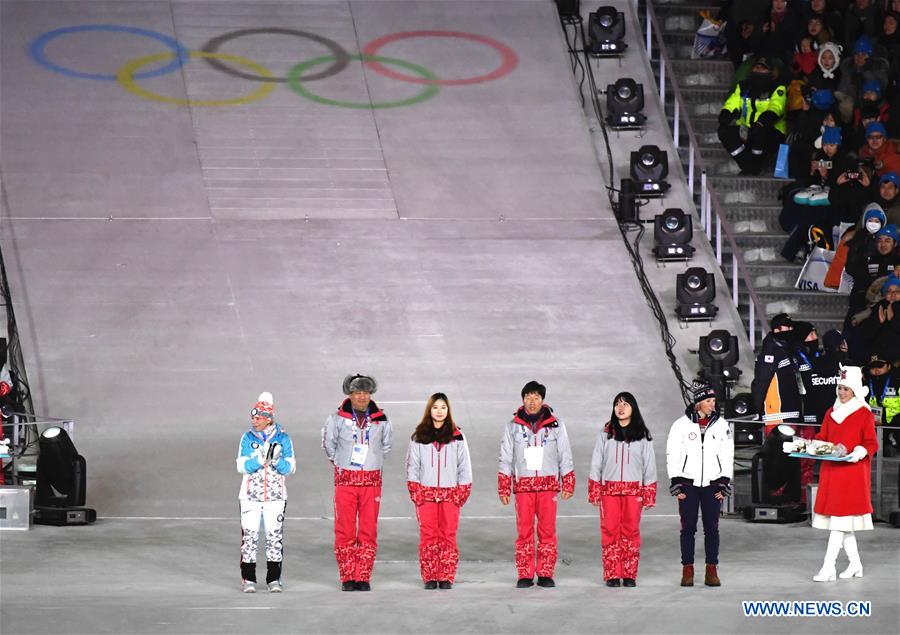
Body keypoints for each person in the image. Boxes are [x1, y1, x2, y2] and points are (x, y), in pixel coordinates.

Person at [801, 366, 878, 581]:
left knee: (839, 524)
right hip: (832, 472)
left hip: (852, 474)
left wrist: (860, 451)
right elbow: (824, 436)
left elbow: (871, 442)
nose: (841, 393)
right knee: (843, 525)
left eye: (846, 389)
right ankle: (855, 564)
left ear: (855, 390)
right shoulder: (830, 412)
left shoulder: (864, 414)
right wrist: (812, 443)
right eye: (839, 388)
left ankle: (828, 568)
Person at [498, 380, 575, 588]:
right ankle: (524, 574)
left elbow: (564, 453)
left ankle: (545, 573)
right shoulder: (512, 426)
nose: (532, 401)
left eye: (536, 397)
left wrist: (568, 480)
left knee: (547, 531)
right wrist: (504, 485)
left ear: (543, 400)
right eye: (528, 397)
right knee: (524, 531)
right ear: (522, 400)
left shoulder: (556, 425)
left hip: (548, 486)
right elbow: (506, 457)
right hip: (523, 487)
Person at [321, 374, 393, 591]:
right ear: (349, 395)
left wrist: (372, 462)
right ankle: (347, 577)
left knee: (368, 530)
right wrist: (344, 464)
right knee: (345, 529)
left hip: (372, 482)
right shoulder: (336, 419)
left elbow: (386, 446)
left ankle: (363, 576)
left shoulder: (382, 420)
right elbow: (329, 446)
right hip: (346, 481)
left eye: (365, 392)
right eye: (357, 393)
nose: (362, 397)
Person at [666, 381, 734, 588]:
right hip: (688, 485)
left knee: (712, 529)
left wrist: (724, 482)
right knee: (688, 529)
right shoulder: (680, 425)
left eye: (714, 400)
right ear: (698, 403)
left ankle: (711, 570)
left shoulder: (721, 426)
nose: (713, 405)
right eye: (708, 401)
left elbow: (727, 454)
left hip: (713, 485)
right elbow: (673, 454)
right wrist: (676, 482)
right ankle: (687, 570)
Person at [587, 392, 656, 588]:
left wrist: (649, 492)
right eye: (617, 404)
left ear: (633, 408)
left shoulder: (642, 434)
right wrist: (594, 490)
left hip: (634, 492)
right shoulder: (606, 433)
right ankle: (612, 574)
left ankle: (629, 574)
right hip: (609, 491)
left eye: (625, 404)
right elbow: (596, 462)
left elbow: (649, 464)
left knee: (631, 531)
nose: (621, 407)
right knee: (609, 531)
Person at [406, 393, 473, 590]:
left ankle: (446, 576)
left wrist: (461, 492)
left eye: (443, 407)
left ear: (448, 410)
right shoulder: (418, 436)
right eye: (435, 407)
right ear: (429, 410)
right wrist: (416, 490)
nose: (439, 411)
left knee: (448, 535)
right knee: (428, 535)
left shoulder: (457, 436)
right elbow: (412, 466)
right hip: (426, 494)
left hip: (450, 494)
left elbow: (464, 466)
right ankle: (429, 576)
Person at [236, 392, 296, 593]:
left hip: (276, 498)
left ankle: (274, 579)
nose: (254, 421)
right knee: (250, 538)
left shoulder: (283, 437)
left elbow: (291, 467)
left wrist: (277, 461)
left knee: (274, 537)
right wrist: (259, 461)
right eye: (253, 418)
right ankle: (248, 579)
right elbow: (241, 465)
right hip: (250, 497)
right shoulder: (247, 437)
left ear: (268, 418)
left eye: (258, 418)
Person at [718, 57, 787, 175]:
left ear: (770, 72)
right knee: (724, 131)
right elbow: (733, 102)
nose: (759, 70)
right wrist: (726, 113)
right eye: (757, 67)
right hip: (747, 129)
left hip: (770, 132)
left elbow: (777, 107)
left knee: (759, 131)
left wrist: (763, 121)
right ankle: (749, 166)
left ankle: (756, 164)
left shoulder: (777, 88)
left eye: (763, 68)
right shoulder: (743, 86)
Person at [751, 313, 804, 433]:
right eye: (787, 327)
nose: (791, 330)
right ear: (776, 330)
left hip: (792, 414)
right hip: (777, 416)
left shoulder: (789, 350)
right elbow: (760, 384)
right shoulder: (769, 353)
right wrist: (757, 410)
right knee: (777, 451)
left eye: (792, 327)